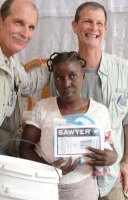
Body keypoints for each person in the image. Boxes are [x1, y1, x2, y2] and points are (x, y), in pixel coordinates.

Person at [47, 1, 128, 200]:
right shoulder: (60, 73)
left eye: (99, 23)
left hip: (113, 177)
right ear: (74, 26)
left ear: (106, 29)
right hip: (74, 181)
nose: (94, 28)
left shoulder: (125, 70)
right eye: (87, 21)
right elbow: (53, 122)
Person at [19, 51, 117, 200]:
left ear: (83, 75)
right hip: (45, 186)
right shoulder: (43, 107)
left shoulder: (99, 111)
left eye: (72, 75)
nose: (66, 83)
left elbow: (111, 149)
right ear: (54, 79)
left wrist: (111, 158)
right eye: (59, 77)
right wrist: (51, 170)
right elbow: (24, 148)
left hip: (84, 190)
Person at [0, 0, 49, 156]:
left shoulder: (11, 62)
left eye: (31, 27)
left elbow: (29, 85)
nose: (26, 34)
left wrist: (53, 65)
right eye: (18, 23)